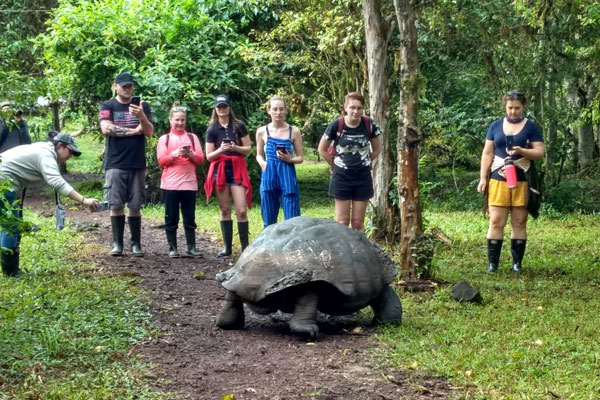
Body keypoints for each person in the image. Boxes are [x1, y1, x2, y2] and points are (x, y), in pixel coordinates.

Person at [0, 132, 100, 277]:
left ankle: (11, 269)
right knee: (10, 227)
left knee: (12, 225)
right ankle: (10, 272)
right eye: (70, 151)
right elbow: (57, 182)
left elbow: (21, 171)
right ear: (59, 146)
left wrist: (17, 196)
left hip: (8, 182)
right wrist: (84, 200)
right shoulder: (46, 155)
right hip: (4, 183)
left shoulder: (44, 150)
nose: (70, 156)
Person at [477, 90, 545, 274]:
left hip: (522, 179)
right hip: (498, 179)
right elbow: (487, 153)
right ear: (505, 106)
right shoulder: (495, 126)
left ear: (523, 107)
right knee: (496, 221)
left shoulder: (531, 127)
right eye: (510, 108)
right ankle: (493, 264)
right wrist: (483, 178)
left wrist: (523, 151)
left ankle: (517, 263)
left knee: (519, 221)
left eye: (517, 108)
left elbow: (539, 152)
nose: (513, 111)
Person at [99, 72, 154, 257]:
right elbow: (106, 128)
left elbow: (148, 132)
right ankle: (118, 244)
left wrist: (142, 116)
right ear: (115, 86)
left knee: (135, 204)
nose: (127, 89)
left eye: (130, 86)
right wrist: (131, 132)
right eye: (124, 86)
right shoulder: (108, 105)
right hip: (115, 162)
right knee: (115, 204)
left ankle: (136, 244)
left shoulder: (142, 106)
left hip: (137, 162)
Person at [317, 91, 381, 232]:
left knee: (358, 223)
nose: (355, 111)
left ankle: (361, 253)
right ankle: (342, 253)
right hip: (341, 176)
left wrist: (365, 162)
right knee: (342, 221)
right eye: (352, 107)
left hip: (362, 176)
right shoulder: (337, 125)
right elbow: (322, 149)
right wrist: (335, 164)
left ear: (363, 109)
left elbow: (377, 149)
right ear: (345, 107)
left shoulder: (369, 124)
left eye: (359, 108)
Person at [203, 95, 252, 256]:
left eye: (224, 106)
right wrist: (221, 150)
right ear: (215, 109)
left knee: (241, 210)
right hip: (220, 169)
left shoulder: (238, 126)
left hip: (236, 168)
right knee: (225, 209)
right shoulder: (212, 129)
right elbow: (209, 156)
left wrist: (235, 147)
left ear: (229, 108)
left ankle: (245, 247)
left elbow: (248, 148)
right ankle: (227, 247)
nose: (222, 109)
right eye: (219, 107)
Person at [156, 103, 205, 258]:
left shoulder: (192, 137)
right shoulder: (165, 139)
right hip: (170, 184)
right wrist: (175, 154)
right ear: (170, 120)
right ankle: (173, 248)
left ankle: (191, 247)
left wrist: (190, 155)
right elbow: (161, 161)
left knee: (189, 216)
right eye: (177, 120)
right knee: (171, 217)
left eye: (182, 120)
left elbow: (201, 159)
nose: (180, 123)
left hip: (189, 184)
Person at [255, 96, 303, 227]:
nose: (278, 112)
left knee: (292, 219)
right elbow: (258, 155)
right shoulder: (261, 132)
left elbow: (300, 157)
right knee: (268, 219)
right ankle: (268, 247)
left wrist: (290, 159)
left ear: (286, 110)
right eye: (275, 109)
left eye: (281, 109)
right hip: (269, 173)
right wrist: (262, 163)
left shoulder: (294, 131)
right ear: (268, 110)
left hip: (287, 173)